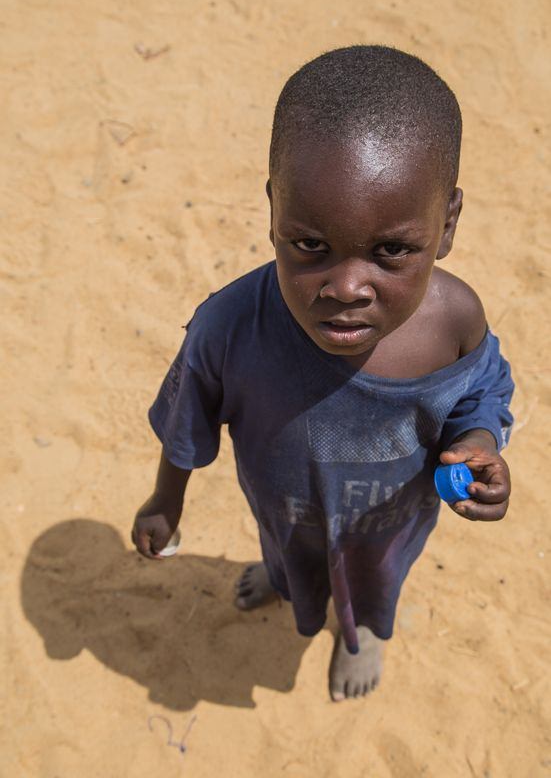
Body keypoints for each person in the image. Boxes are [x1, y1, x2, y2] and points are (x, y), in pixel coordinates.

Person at [131, 46, 514, 702]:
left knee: (370, 589)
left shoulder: (454, 319)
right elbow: (183, 423)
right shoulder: (228, 327)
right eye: (309, 244)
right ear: (274, 208)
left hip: (387, 525)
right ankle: (284, 583)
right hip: (286, 514)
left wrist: (478, 445)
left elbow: (483, 390)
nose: (344, 287)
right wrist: (167, 500)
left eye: (391, 251)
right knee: (288, 563)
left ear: (445, 225)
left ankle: (358, 636)